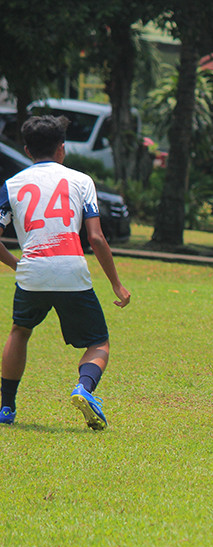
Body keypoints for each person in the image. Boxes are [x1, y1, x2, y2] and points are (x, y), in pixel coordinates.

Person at [0, 116, 131, 429]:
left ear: (27, 149)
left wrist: (18, 264)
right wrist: (116, 284)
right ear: (61, 148)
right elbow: (96, 238)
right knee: (99, 342)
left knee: (20, 331)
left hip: (32, 271)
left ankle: (6, 408)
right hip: (71, 269)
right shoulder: (81, 181)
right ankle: (83, 389)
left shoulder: (11, 185)